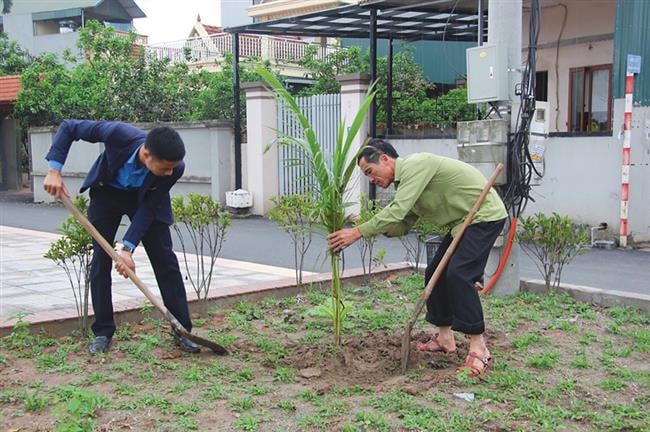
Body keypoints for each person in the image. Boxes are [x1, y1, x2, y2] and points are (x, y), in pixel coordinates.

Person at [327, 139, 507, 376]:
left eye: (370, 172)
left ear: (384, 159)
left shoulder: (416, 165)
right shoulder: (408, 185)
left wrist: (359, 232)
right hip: (461, 224)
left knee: (459, 274)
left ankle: (479, 347)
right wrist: (372, 227)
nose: (372, 180)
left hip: (484, 217)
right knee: (435, 272)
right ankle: (445, 339)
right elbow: (402, 224)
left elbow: (398, 210)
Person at [44, 120, 200, 355]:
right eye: (165, 168)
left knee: (165, 260)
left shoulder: (175, 168)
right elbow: (69, 128)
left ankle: (182, 330)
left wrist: (127, 248)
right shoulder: (118, 134)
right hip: (107, 193)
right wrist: (54, 170)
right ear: (147, 154)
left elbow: (148, 209)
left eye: (172, 168)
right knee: (100, 261)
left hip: (145, 199)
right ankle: (103, 332)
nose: (170, 173)